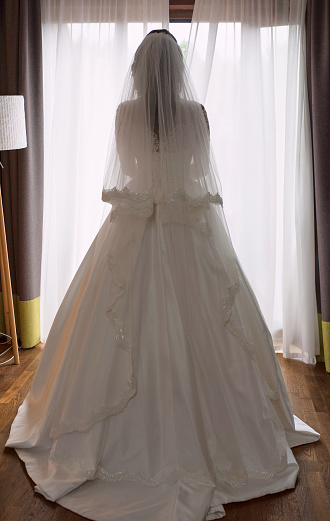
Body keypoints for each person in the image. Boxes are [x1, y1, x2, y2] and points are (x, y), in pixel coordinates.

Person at [6, 29, 319, 521]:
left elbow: (129, 166)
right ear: (177, 68)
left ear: (139, 67)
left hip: (133, 222)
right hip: (187, 223)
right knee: (213, 323)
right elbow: (197, 170)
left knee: (113, 324)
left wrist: (153, 178)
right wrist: (172, 177)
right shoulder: (196, 115)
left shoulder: (124, 114)